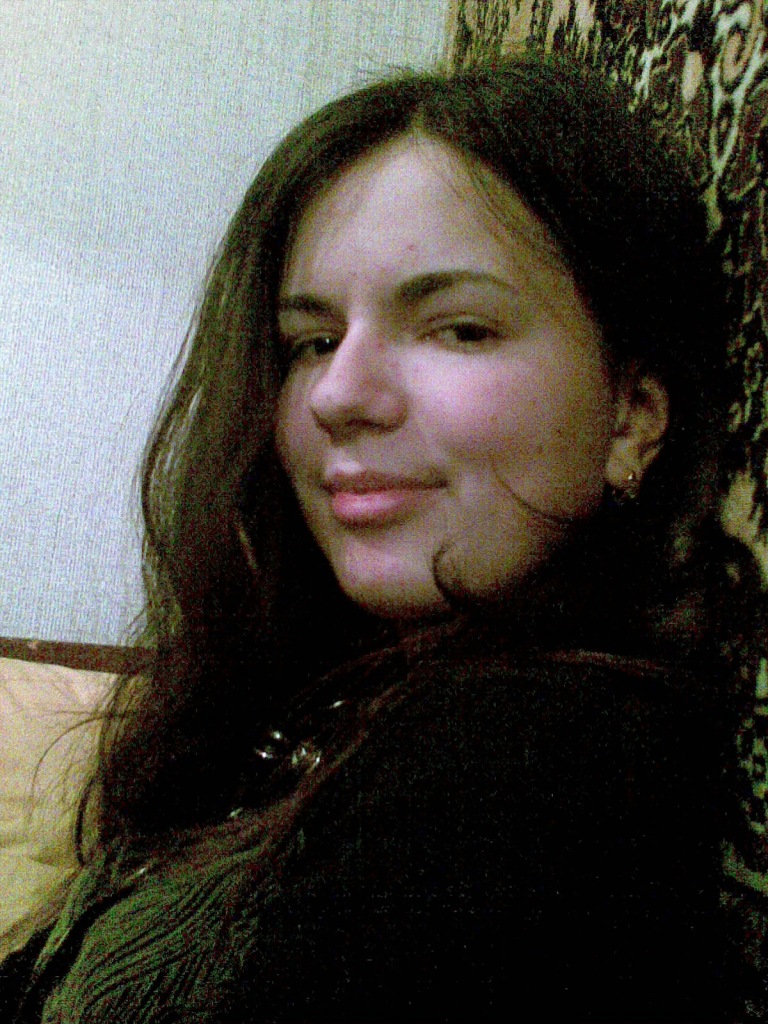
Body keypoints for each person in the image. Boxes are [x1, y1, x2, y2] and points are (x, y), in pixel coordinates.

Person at [4, 54, 763, 1022]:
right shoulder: (330, 682)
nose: (337, 393)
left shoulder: (526, 761)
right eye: (312, 342)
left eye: (459, 328)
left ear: (632, 418)